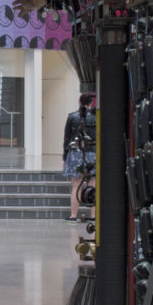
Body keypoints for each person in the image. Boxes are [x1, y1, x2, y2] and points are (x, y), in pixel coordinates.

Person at [62, 93, 96, 221]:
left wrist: (64, 157)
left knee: (76, 184)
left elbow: (67, 138)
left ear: (79, 102)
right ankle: (93, 215)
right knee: (93, 184)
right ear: (91, 103)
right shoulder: (95, 116)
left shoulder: (72, 117)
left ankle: (73, 215)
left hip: (75, 152)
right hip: (92, 153)